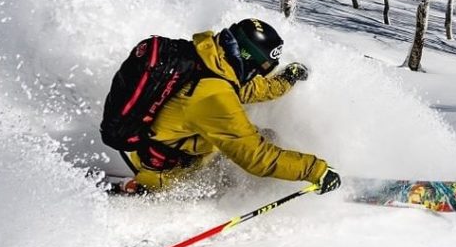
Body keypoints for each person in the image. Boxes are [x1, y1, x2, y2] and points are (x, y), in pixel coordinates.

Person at [108, 17, 341, 196]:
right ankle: (141, 188)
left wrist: (286, 80)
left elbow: (249, 88)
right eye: (262, 68)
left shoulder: (210, 61)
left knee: (266, 136)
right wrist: (315, 170)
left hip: (181, 145)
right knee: (258, 148)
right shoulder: (213, 97)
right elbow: (256, 157)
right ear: (248, 60)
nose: (260, 75)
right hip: (169, 173)